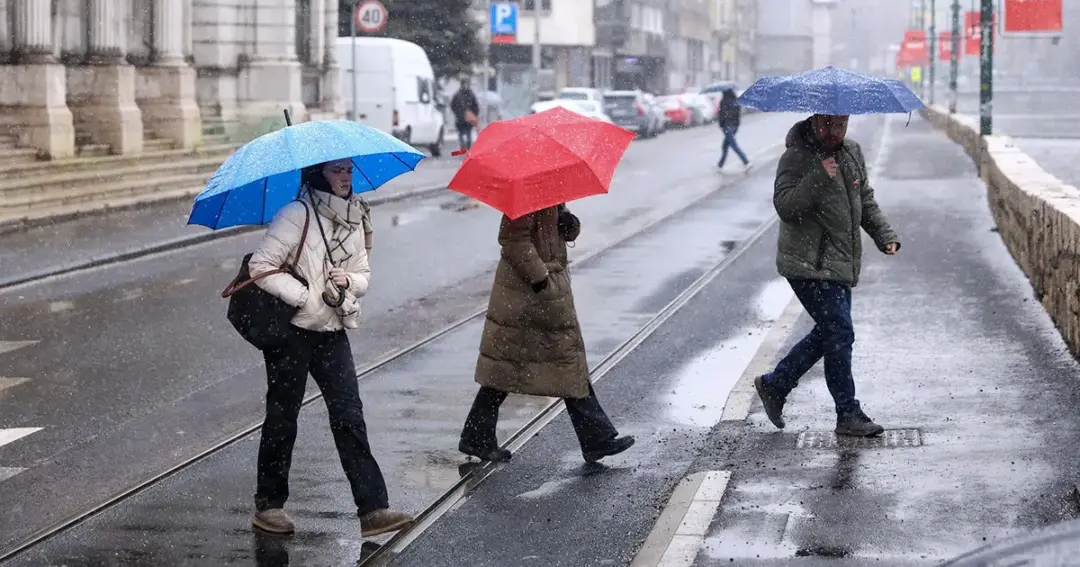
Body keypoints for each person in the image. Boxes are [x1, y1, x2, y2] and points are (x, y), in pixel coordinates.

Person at [247, 159, 413, 537]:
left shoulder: (355, 218)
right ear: (318, 174)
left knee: (349, 415)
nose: (345, 178)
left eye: (348, 171)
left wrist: (348, 280)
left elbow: (364, 276)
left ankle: (373, 509)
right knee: (283, 417)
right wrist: (304, 295)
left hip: (333, 330)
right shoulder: (296, 213)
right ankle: (269, 506)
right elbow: (261, 266)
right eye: (337, 171)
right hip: (292, 332)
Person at [754, 114, 900, 438]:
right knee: (839, 331)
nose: (833, 132)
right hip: (807, 264)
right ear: (815, 120)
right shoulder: (795, 157)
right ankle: (847, 412)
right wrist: (817, 177)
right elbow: (785, 206)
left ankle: (776, 385)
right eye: (827, 125)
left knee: (833, 332)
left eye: (840, 125)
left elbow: (865, 200)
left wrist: (884, 234)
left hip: (839, 262)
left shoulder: (852, 152)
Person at [459, 203, 636, 463]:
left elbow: (558, 236)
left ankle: (478, 437)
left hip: (543, 297)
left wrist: (568, 223)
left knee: (524, 365)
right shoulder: (524, 194)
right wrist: (540, 277)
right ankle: (595, 438)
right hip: (528, 296)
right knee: (539, 362)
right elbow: (512, 239)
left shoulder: (549, 190)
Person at [716, 89, 751, 172]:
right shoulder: (736, 101)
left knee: (734, 145)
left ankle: (746, 162)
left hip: (727, 126)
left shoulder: (724, 101)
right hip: (734, 126)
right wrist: (736, 124)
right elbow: (737, 115)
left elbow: (722, 115)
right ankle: (720, 165)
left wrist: (722, 125)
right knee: (725, 146)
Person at [450, 80, 480, 151]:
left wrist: (457, 113)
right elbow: (476, 106)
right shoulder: (471, 94)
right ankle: (468, 146)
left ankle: (462, 146)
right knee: (468, 132)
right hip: (469, 118)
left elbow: (452, 105)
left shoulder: (457, 95)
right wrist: (474, 114)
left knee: (460, 133)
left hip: (460, 118)